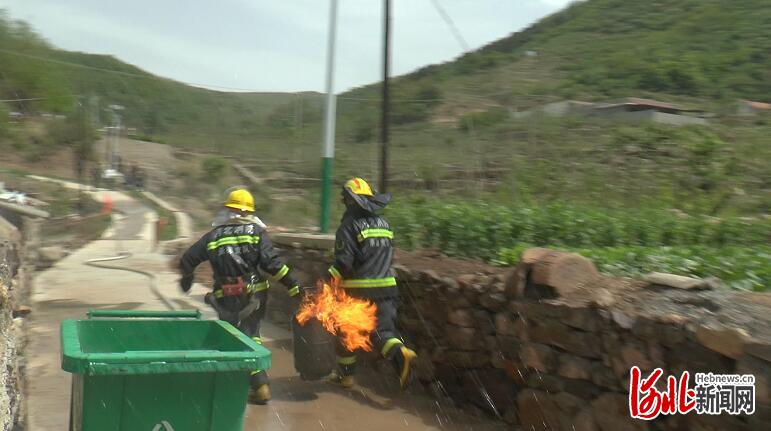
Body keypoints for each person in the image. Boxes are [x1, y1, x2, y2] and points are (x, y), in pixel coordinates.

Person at [178, 188, 302, 404]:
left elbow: (187, 259)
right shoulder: (255, 232)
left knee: (232, 336)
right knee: (251, 333)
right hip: (254, 294)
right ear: (250, 213)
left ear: (227, 210)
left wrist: (187, 279)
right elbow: (272, 264)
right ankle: (259, 383)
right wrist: (292, 284)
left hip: (224, 298)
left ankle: (234, 385)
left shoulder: (213, 236)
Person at [326, 177, 417, 389]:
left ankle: (345, 376)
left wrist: (327, 281)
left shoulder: (348, 226)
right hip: (387, 288)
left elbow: (344, 262)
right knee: (383, 332)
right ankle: (400, 352)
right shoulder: (385, 225)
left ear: (350, 201)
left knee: (346, 331)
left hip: (358, 292)